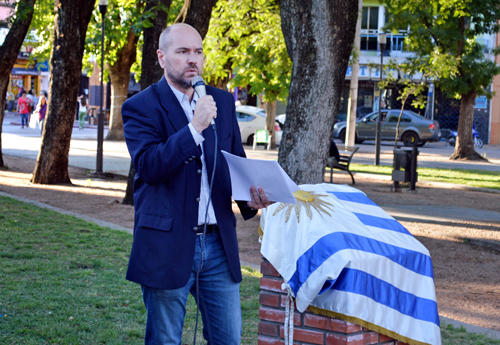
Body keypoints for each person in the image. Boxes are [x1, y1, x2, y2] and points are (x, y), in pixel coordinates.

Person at [121, 23, 271, 345]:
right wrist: (195, 127)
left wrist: (251, 199)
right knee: (165, 340)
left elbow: (235, 163)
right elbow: (150, 167)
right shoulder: (140, 107)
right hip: (168, 244)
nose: (193, 59)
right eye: (183, 51)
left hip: (218, 245)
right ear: (161, 57)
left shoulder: (221, 101)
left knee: (228, 339)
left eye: (198, 52)